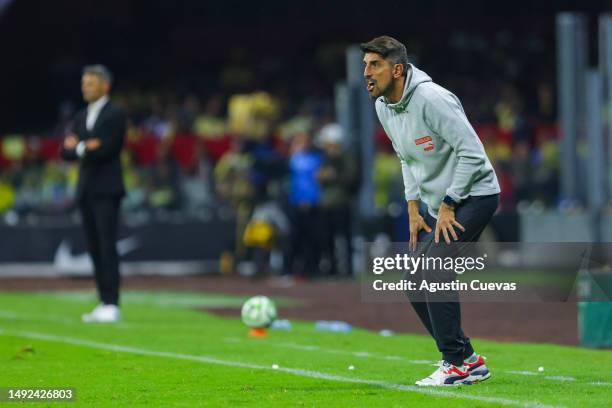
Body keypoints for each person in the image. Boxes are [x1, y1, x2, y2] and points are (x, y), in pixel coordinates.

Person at [362, 36, 500, 386]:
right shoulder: (383, 105)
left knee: (436, 269)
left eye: (374, 64)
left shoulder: (432, 99)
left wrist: (450, 203)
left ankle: (455, 365)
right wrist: (413, 206)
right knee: (412, 278)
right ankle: (468, 358)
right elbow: (406, 157)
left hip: (475, 196)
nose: (366, 72)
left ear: (397, 69)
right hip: (439, 206)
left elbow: (473, 153)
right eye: (365, 64)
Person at [61, 65, 127, 323]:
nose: (85, 87)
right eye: (83, 83)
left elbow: (107, 149)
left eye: (90, 83)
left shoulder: (115, 113)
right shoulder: (81, 115)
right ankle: (103, 300)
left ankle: (113, 302)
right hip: (86, 189)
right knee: (94, 247)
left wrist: (78, 147)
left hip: (107, 189)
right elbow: (64, 152)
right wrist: (84, 147)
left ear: (105, 86)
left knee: (107, 245)